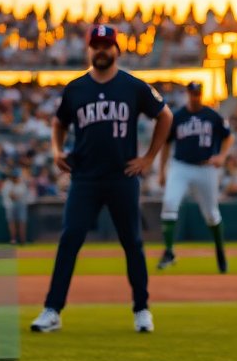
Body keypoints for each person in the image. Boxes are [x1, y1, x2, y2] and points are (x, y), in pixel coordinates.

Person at [30, 25, 173, 334]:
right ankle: (52, 309)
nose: (102, 50)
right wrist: (56, 150)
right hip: (85, 177)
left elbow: (165, 115)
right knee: (70, 240)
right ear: (89, 50)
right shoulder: (76, 88)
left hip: (122, 176)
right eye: (96, 45)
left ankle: (141, 309)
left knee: (132, 243)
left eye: (107, 45)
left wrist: (149, 157)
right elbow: (58, 122)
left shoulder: (133, 86)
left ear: (117, 49)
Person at [156, 81, 234, 272]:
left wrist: (222, 156)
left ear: (201, 94)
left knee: (211, 214)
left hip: (205, 167)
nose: (195, 96)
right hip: (180, 166)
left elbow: (228, 136)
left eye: (198, 93)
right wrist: (162, 170)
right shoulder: (178, 116)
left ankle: (220, 252)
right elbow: (166, 144)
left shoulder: (212, 115)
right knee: (169, 203)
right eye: (192, 93)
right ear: (187, 94)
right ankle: (168, 251)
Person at [1, 174, 33, 245]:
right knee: (12, 222)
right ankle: (13, 240)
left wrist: (15, 195)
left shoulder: (22, 184)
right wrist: (14, 195)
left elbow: (18, 196)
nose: (15, 179)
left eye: (16, 177)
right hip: (10, 205)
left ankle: (23, 240)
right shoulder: (8, 184)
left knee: (22, 222)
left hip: (21, 205)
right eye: (14, 177)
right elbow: (11, 196)